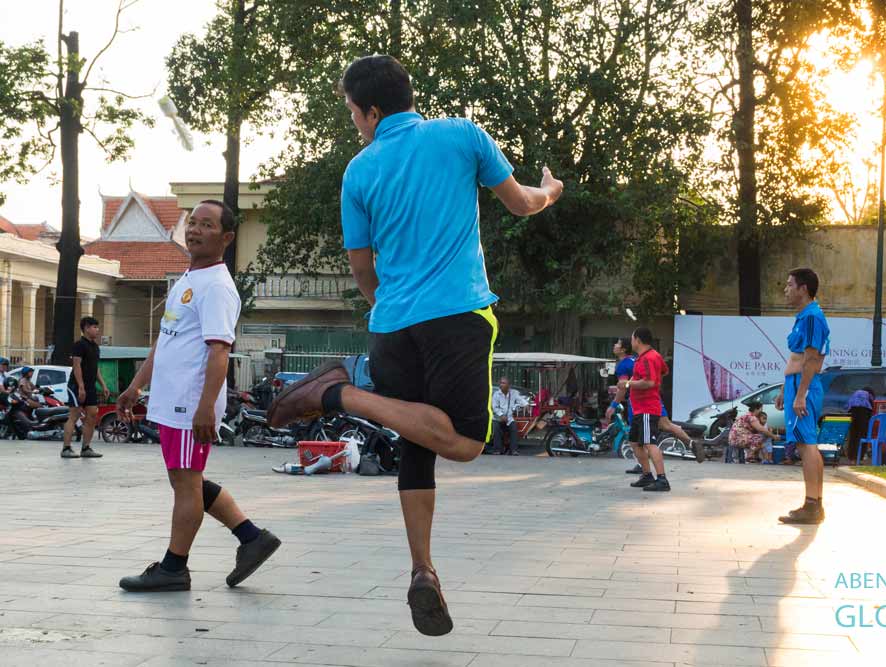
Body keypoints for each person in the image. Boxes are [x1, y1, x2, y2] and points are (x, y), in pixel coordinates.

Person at [264, 55, 563, 636]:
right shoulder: (461, 134)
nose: (354, 122)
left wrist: (387, 308)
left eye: (352, 112)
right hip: (457, 316)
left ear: (372, 111)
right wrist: (549, 190)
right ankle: (342, 396)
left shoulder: (359, 170)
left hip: (392, 326)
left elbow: (361, 266)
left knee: (419, 441)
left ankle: (423, 571)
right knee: (469, 443)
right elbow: (522, 203)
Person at [116, 200, 281, 592]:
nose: (195, 230)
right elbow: (165, 342)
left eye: (206, 225)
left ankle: (174, 568)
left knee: (186, 483)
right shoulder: (189, 280)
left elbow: (219, 351)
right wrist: (136, 385)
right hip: (173, 401)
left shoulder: (218, 288)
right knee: (187, 479)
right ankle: (251, 537)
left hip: (190, 404)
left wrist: (206, 406)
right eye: (192, 223)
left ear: (225, 238)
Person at [775, 267, 831, 524]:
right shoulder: (804, 317)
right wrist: (784, 389)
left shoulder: (811, 317)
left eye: (789, 285)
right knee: (808, 443)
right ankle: (815, 504)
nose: (786, 290)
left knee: (805, 445)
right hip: (797, 384)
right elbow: (796, 358)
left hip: (804, 386)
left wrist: (800, 394)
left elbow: (810, 360)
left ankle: (812, 506)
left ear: (803, 289)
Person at [624, 327, 673, 492]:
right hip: (639, 408)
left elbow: (649, 382)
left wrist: (629, 383)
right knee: (634, 441)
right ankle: (647, 475)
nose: (631, 342)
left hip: (646, 408)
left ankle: (662, 479)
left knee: (649, 442)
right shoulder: (649, 357)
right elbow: (664, 371)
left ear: (637, 340)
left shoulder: (648, 358)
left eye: (631, 339)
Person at [62, 316, 110, 459]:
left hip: (90, 386)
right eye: (94, 327)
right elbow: (76, 366)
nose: (97, 330)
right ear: (86, 328)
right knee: (74, 415)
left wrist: (103, 385)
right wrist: (81, 387)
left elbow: (95, 368)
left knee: (92, 415)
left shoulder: (95, 347)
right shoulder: (79, 345)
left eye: (97, 327)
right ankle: (66, 448)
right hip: (76, 385)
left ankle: (86, 448)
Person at [490, 377, 529, 455]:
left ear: (508, 385)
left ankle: (513, 450)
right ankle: (497, 450)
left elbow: (520, 400)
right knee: (496, 428)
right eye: (501, 383)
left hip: (509, 419)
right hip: (498, 418)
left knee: (514, 428)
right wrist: (501, 415)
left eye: (503, 383)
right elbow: (495, 407)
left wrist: (526, 404)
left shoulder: (514, 393)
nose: (501, 385)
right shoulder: (496, 394)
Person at [845, 386, 875, 462]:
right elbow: (871, 407)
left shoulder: (855, 394)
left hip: (852, 412)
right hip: (864, 413)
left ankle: (851, 457)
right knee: (862, 436)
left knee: (853, 435)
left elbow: (847, 406)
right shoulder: (869, 395)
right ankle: (860, 457)